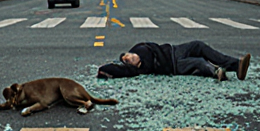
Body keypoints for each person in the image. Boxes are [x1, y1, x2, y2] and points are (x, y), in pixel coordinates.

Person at [97, 41, 250, 81]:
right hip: (175, 66)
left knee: (198, 45)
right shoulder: (137, 70)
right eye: (128, 60)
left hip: (174, 50)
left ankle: (236, 65)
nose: (130, 57)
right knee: (199, 62)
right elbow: (118, 70)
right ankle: (217, 72)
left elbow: (149, 49)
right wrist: (103, 70)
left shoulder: (140, 48)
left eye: (129, 55)